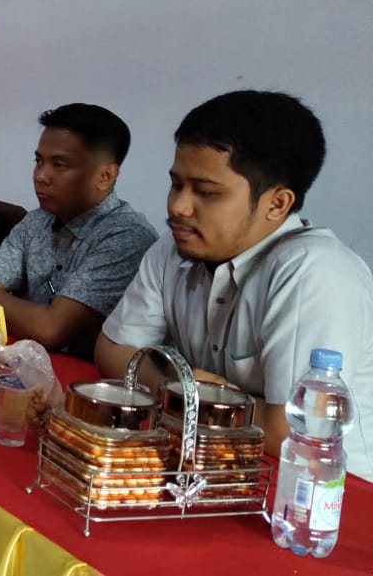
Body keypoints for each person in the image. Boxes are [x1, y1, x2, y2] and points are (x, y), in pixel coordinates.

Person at [94, 91, 373, 478]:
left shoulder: (314, 272)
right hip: (219, 466)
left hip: (321, 491)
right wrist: (176, 388)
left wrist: (194, 399)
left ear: (277, 204)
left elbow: (290, 430)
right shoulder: (174, 249)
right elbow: (111, 349)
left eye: (206, 192)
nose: (178, 206)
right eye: (176, 185)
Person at [0, 103, 157, 359]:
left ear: (105, 176)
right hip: (30, 365)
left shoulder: (126, 236)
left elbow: (51, 329)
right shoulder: (37, 221)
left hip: (92, 378)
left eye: (59, 165)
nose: (41, 176)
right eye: (39, 161)